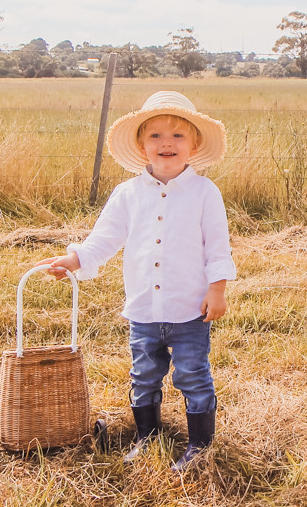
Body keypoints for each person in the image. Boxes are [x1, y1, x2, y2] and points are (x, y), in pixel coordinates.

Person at [38, 91, 235, 473]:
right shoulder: (127, 194)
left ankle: (199, 445)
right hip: (144, 309)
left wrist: (218, 289)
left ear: (194, 145)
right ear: (142, 146)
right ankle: (147, 436)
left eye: (178, 136)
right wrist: (75, 260)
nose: (167, 143)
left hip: (190, 309)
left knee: (193, 373)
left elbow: (218, 246)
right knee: (144, 374)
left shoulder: (205, 193)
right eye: (156, 136)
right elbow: (105, 238)